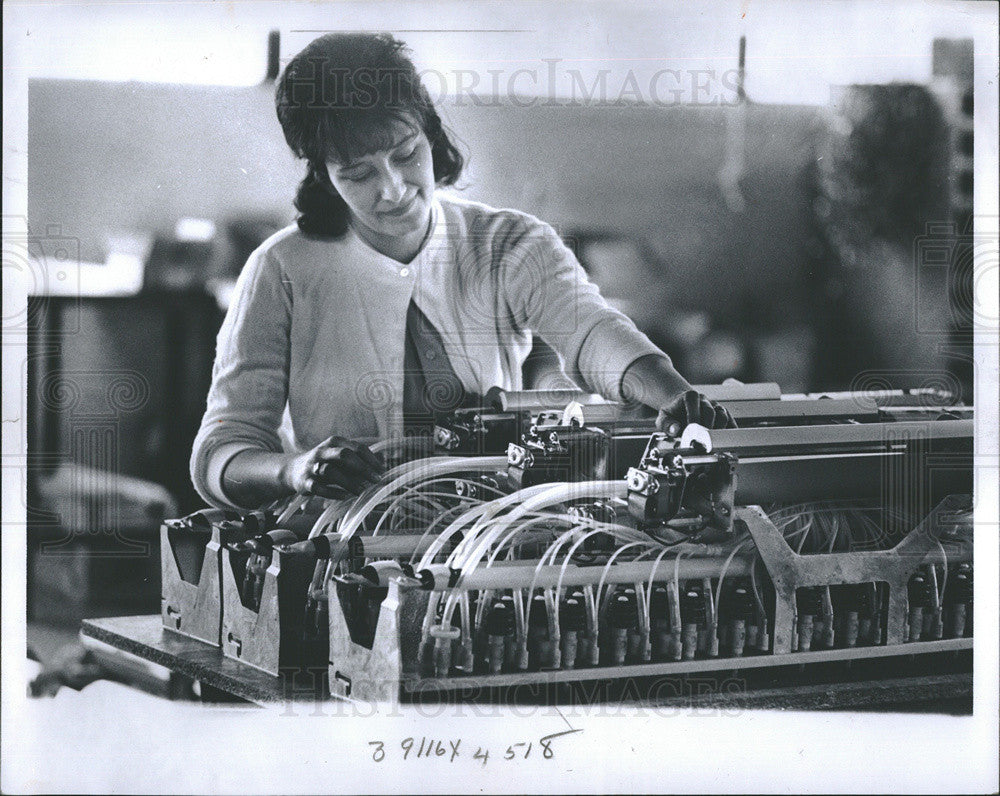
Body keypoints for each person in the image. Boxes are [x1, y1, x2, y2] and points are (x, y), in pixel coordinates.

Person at [190, 32, 734, 511]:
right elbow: (221, 451)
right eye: (358, 173)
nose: (394, 190)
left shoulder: (508, 244)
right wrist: (296, 469)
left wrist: (674, 397)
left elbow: (590, 332)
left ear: (431, 135)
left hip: (496, 531)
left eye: (406, 154)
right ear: (324, 174)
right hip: (344, 541)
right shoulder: (282, 269)